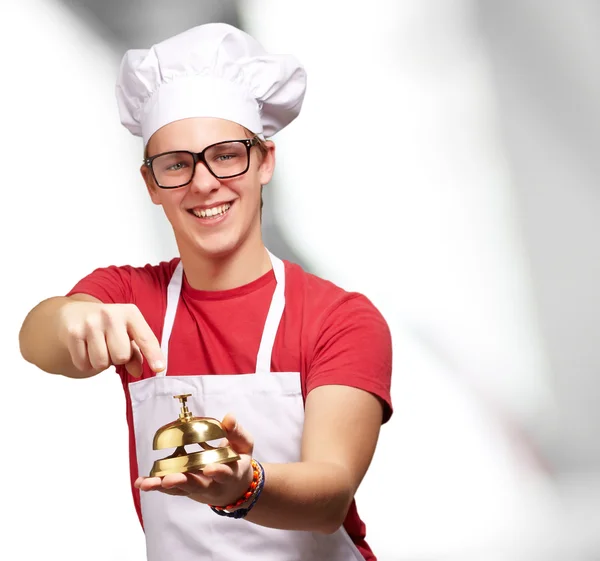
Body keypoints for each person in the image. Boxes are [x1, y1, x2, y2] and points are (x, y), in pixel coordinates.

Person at [19, 22, 393, 561]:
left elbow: (329, 495)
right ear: (151, 184)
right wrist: (70, 319)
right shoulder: (131, 296)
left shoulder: (339, 318)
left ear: (264, 161)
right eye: (176, 164)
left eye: (225, 155)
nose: (203, 183)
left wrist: (242, 488)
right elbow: (40, 340)